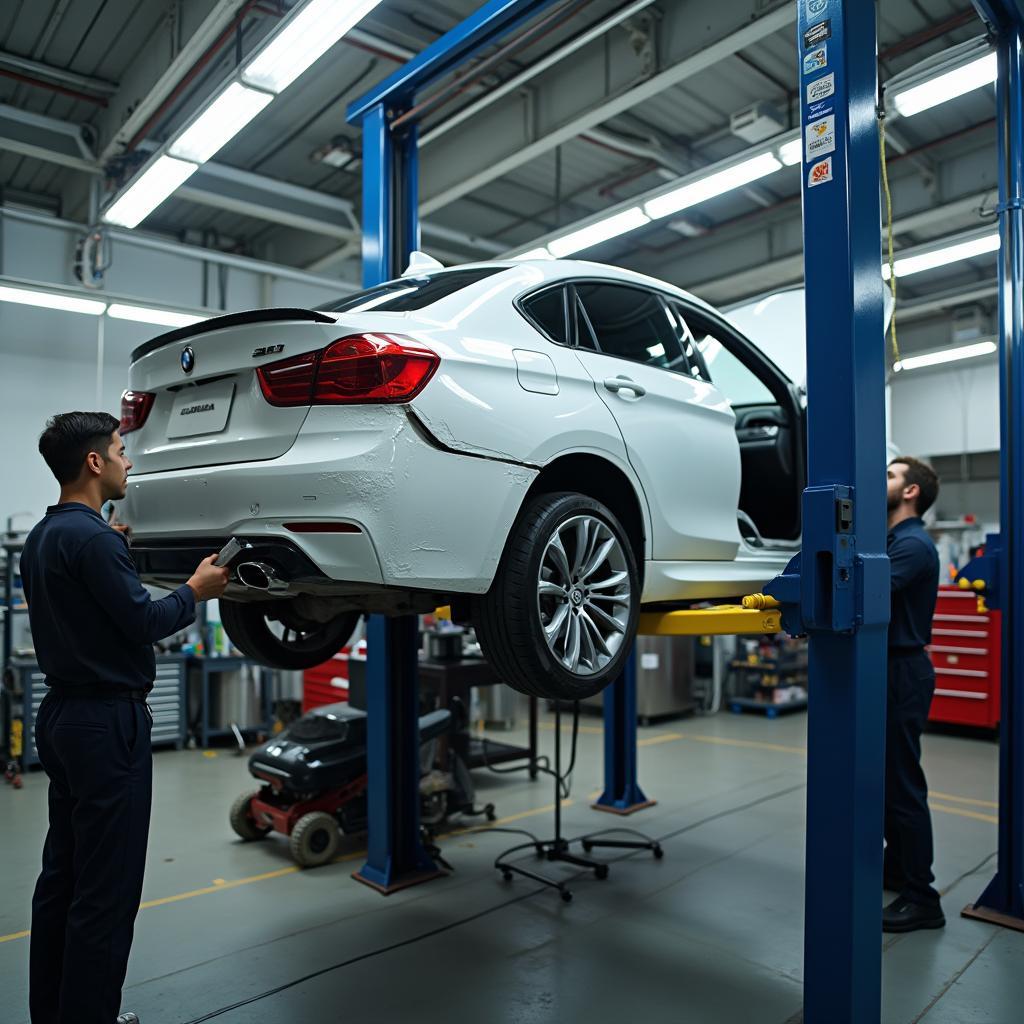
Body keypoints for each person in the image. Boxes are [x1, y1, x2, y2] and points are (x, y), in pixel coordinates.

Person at [21, 412, 230, 1024]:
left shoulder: (46, 536)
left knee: (62, 879)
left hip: (60, 718)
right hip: (106, 726)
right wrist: (197, 589)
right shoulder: (93, 540)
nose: (126, 460)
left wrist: (116, 550)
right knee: (105, 893)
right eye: (118, 449)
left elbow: (90, 599)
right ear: (94, 462)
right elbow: (142, 622)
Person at [881, 456, 943, 933]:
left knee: (903, 787)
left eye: (889, 475)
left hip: (903, 671)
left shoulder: (912, 546)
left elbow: (864, 591)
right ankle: (899, 869)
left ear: (910, 492)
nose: (880, 478)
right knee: (886, 784)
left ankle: (923, 897)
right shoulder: (893, 541)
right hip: (889, 668)